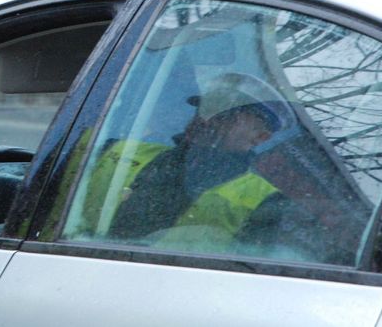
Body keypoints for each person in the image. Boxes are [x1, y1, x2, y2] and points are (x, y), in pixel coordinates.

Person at [81, 73, 293, 250]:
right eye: (204, 107)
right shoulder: (114, 150)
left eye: (225, 116)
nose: (205, 118)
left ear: (260, 138)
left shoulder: (265, 202)